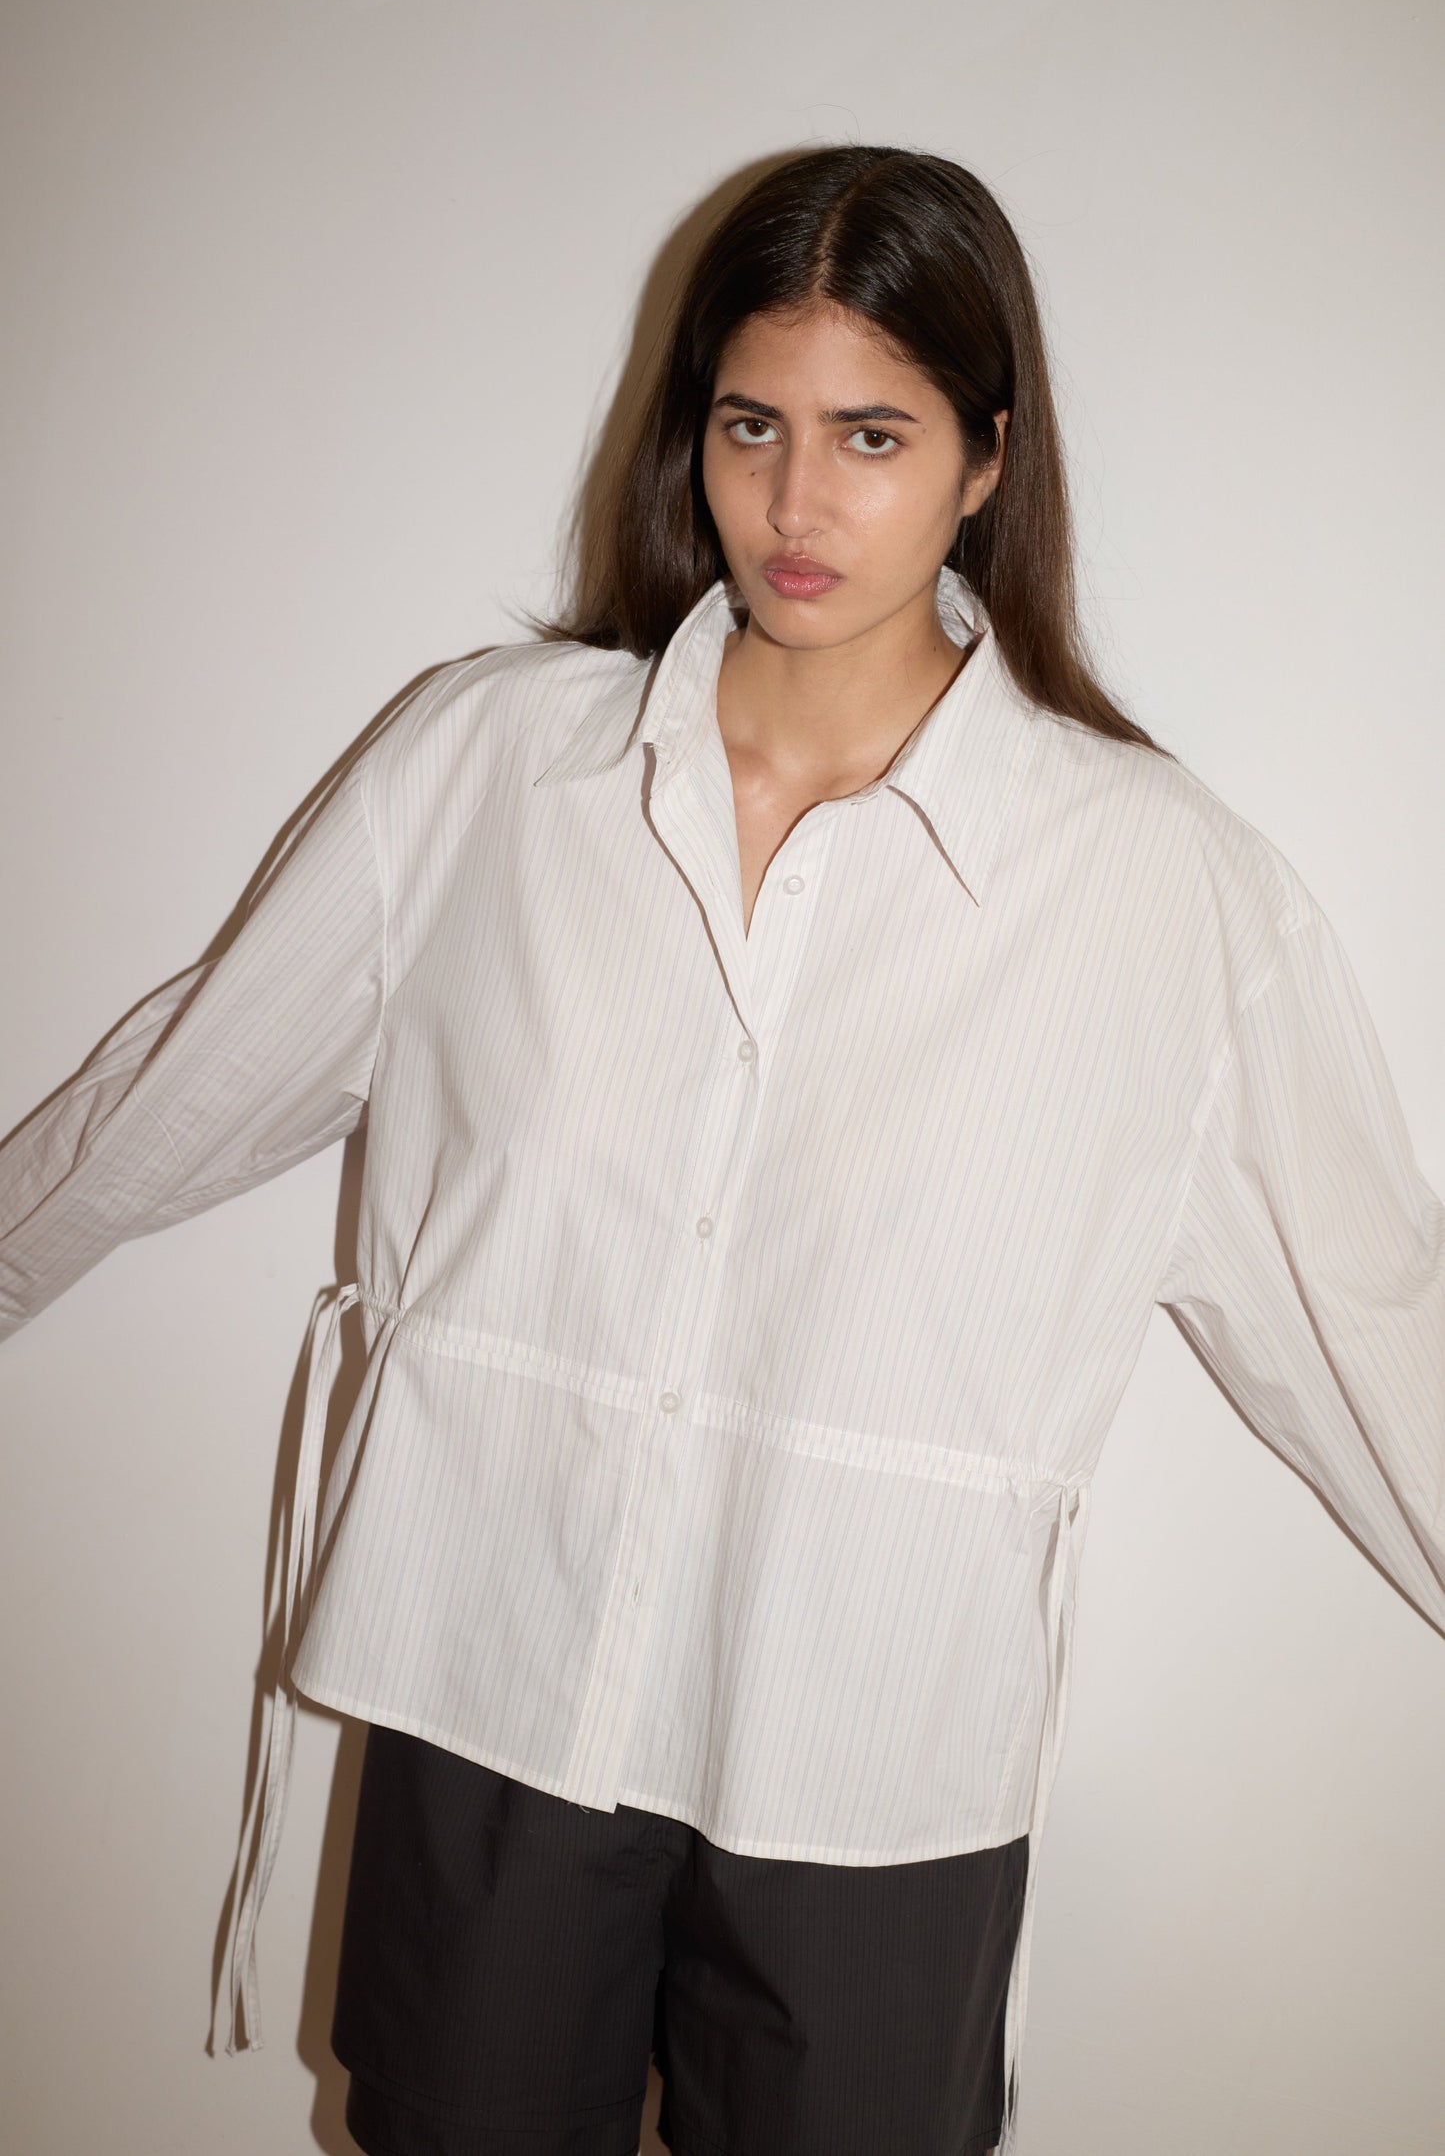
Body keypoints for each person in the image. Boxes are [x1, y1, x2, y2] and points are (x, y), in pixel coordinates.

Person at [1, 142, 1440, 2156]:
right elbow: (182, 1078)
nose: (794, 498)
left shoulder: (1158, 892)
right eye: (753, 422)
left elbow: (1378, 1317)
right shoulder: (492, 769)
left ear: (987, 458)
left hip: (874, 1760)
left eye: (873, 432)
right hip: (491, 1684)